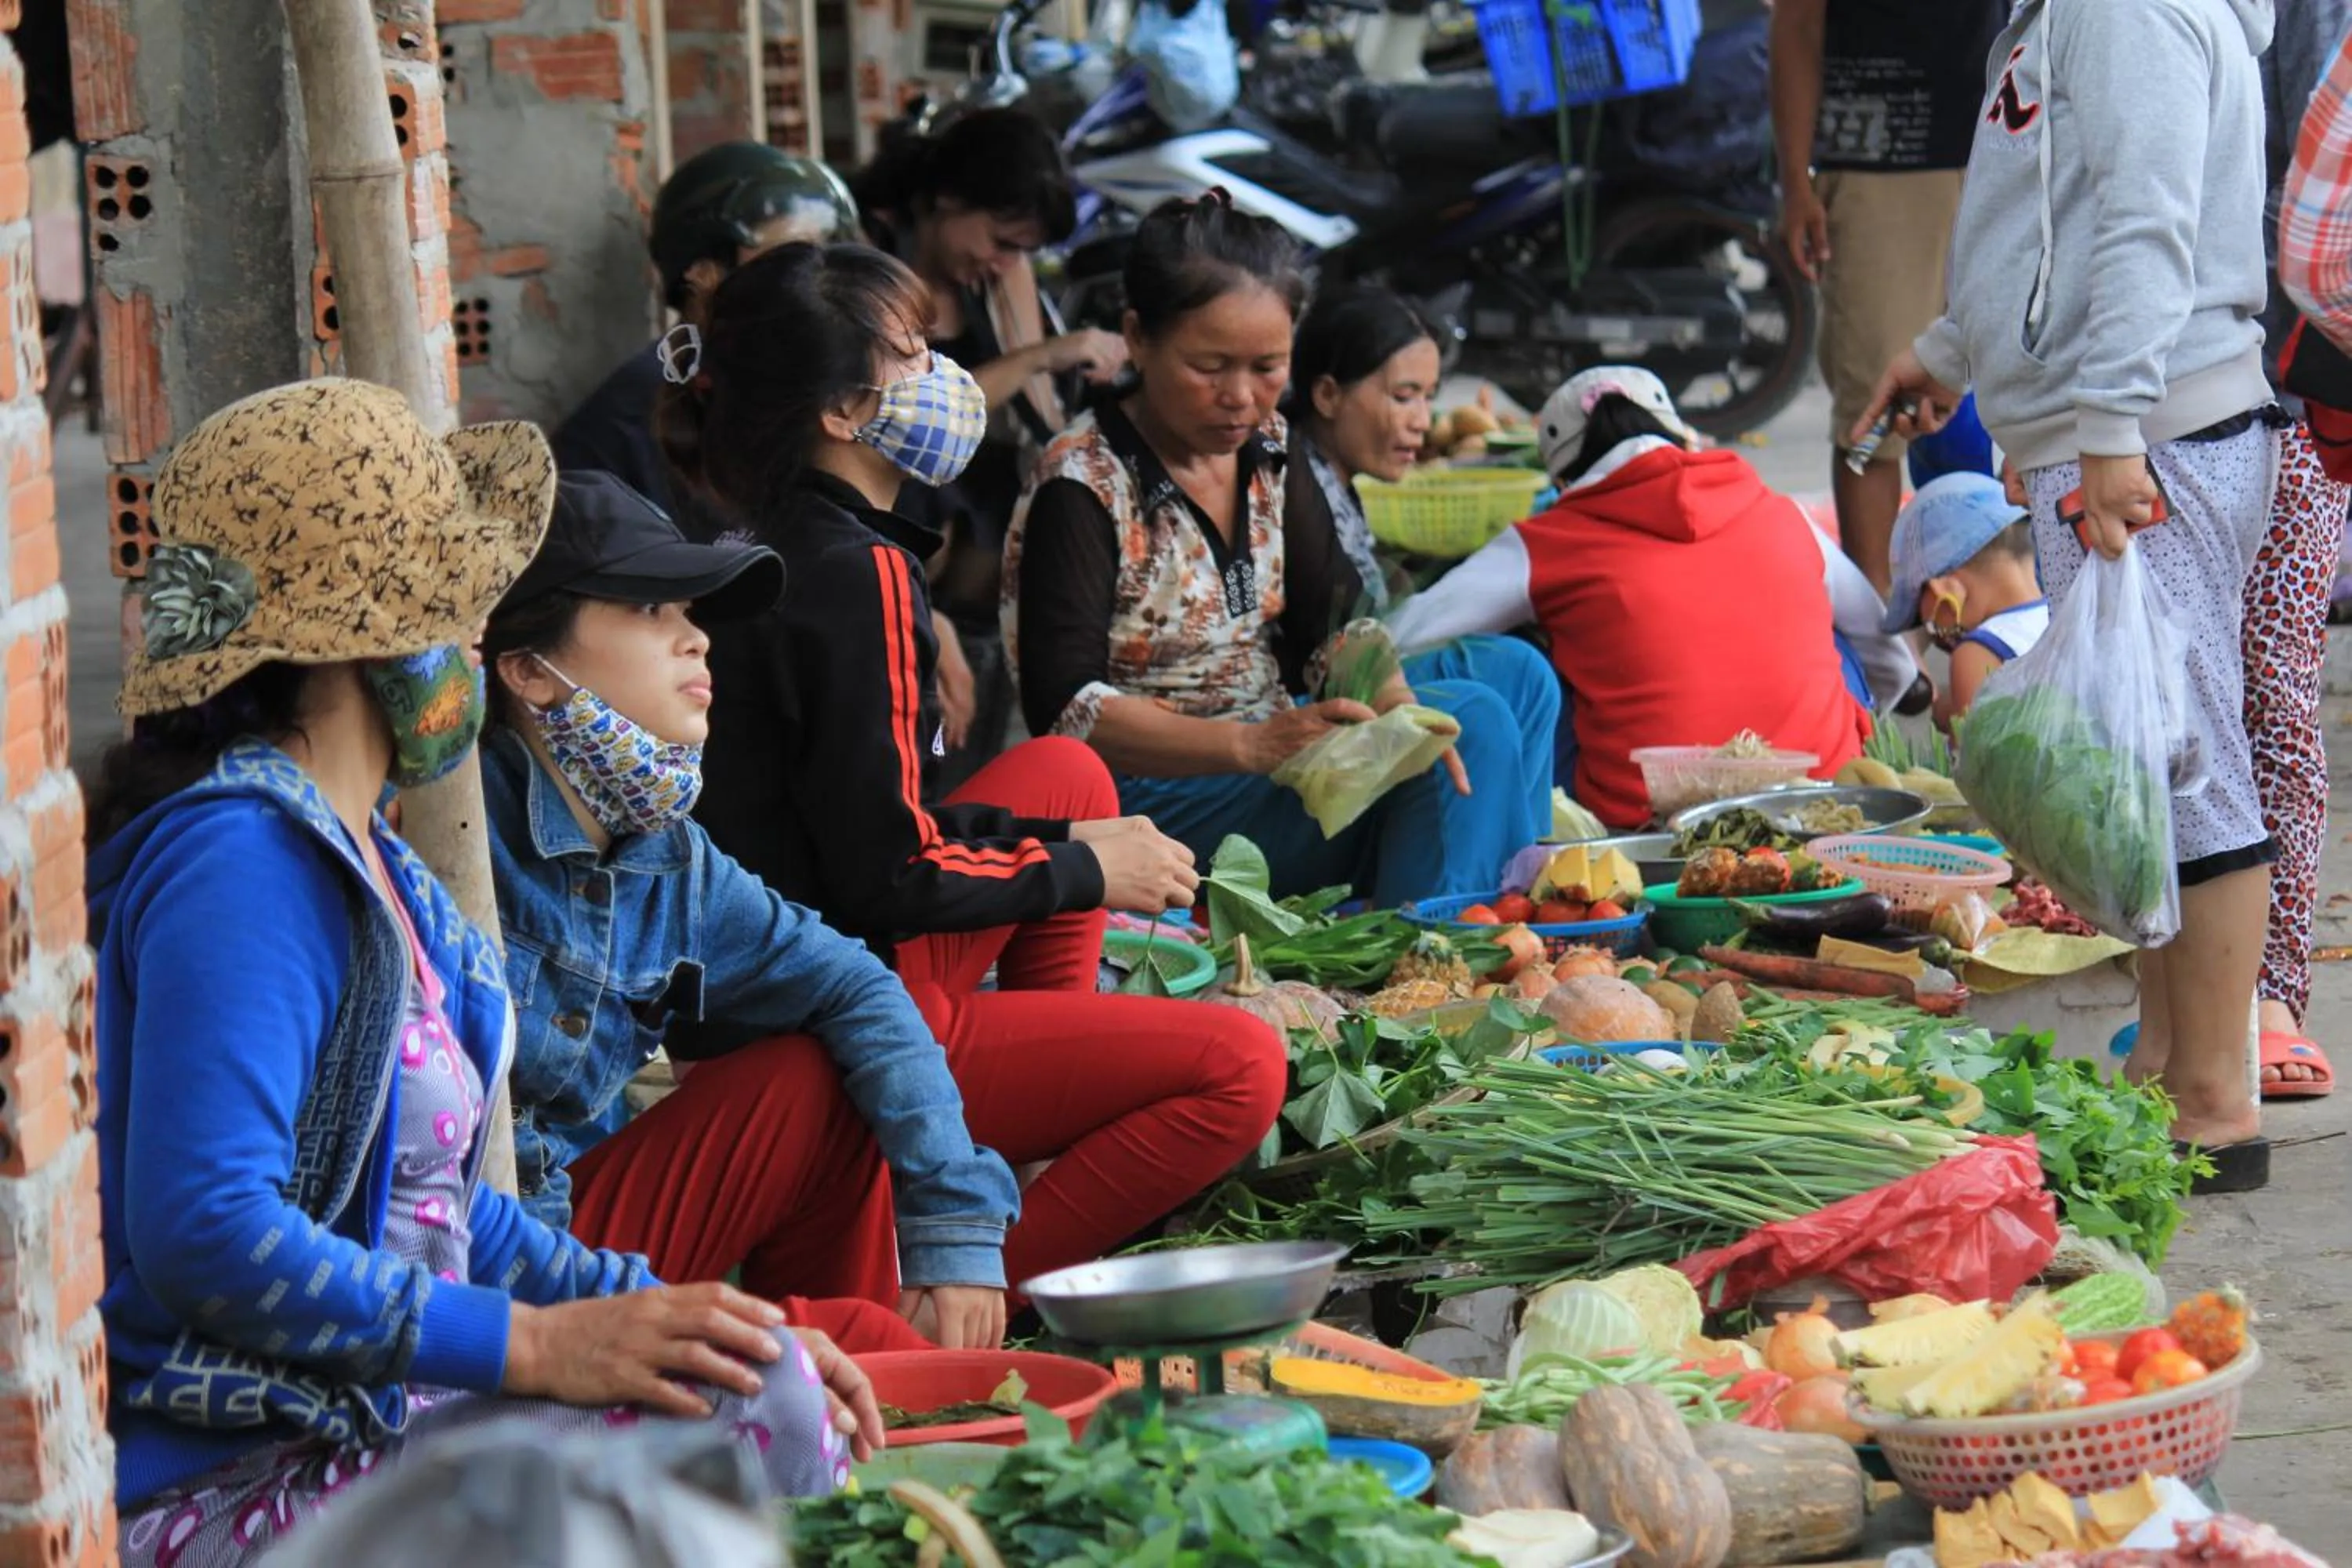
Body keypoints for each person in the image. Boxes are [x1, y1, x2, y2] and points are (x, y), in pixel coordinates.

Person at [85, 380, 877, 1566]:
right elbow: (208, 1229)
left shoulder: (379, 861)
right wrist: (536, 1349)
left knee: (750, 1386)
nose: (474, 639)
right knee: (742, 1428)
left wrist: (689, 1324)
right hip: (235, 1479)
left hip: (370, 1421)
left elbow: (446, 1217)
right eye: (455, 607)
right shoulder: (241, 859)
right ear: (368, 635)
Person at [657, 241, 1288, 1310]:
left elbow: (860, 834)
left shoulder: (781, 534)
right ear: (843, 413)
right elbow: (887, 878)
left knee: (1067, 775)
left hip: (780, 970)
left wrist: (1067, 844)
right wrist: (1080, 874)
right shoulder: (855, 577)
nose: (945, 376)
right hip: (842, 1014)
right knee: (1241, 1065)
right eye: (913, 356)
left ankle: (1027, 1129)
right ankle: (993, 1276)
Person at [1862, 0, 2278, 1189]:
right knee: (2143, 753)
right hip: (2116, 424)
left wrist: (2109, 434)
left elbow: (2150, 223)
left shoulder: (2121, 6)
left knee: (2187, 757)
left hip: (2153, 431)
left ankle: (2213, 1100)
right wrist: (1951, 352)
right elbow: (2057, 215)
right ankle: (2170, 1071)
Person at [481, 470, 1024, 1350]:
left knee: (826, 1059)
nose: (697, 639)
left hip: (575, 1241)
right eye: (650, 611)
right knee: (854, 1341)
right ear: (528, 672)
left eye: (690, 612)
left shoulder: (669, 853)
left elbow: (859, 987)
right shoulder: (456, 839)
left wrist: (954, 1222)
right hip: (488, 1288)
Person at [1007, 194, 1555, 902]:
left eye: (1268, 367)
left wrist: (1391, 701)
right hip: (1158, 805)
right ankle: (1439, 953)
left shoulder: (1269, 448)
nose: (1241, 397)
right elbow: (1069, 709)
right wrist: (1251, 745)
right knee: (1473, 720)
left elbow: (1333, 617)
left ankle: (1519, 896)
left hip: (1270, 748)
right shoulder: (1081, 487)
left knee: (1516, 674)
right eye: (1209, 367)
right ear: (1137, 337)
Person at [1384, 366, 1893, 830]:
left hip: (1644, 828)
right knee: (1834, 642)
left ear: (1564, 480)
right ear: (1682, 440)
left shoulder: (1551, 539)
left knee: (1531, 663)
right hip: (1824, 812)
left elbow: (1405, 635)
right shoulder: (1784, 513)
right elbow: (1892, 657)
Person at [854, 107, 1131, 786]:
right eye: (1000, 239)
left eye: (1020, 250)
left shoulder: (991, 286)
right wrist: (1045, 353)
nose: (1003, 260)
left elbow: (1043, 424)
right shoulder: (864, 279)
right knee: (916, 772)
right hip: (899, 598)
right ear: (949, 198)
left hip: (979, 605)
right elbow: (912, 414)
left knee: (966, 770)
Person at [1280, 283, 1566, 799]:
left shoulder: (1338, 485)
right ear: (1326, 395)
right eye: (1403, 396)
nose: (1422, 421)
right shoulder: (1294, 484)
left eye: (1429, 398)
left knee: (1521, 665)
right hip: (1315, 709)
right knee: (1491, 693)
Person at [1769, 0, 2004, 593]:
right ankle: (1880, 636)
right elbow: (1797, 22)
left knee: (2013, 393)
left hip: (2003, 145)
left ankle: (1994, 601)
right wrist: (1796, 181)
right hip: (1882, 164)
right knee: (1873, 414)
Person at [553, 142, 862, 517]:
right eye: (782, 260)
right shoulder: (637, 414)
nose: (806, 283)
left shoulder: (807, 383)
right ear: (701, 271)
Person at [2246, 0, 2352, 1097]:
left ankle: (2269, 992)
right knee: (2197, 696)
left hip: (2287, 388)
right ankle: (2187, 982)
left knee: (2270, 689)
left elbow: (2324, 231)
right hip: (2175, 386)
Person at [1880, 473, 2048, 729]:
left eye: (1924, 618)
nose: (1936, 635)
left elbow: (1975, 761)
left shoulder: (1980, 652)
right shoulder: (2061, 616)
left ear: (1945, 590)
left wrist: (1950, 714)